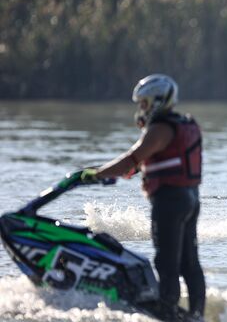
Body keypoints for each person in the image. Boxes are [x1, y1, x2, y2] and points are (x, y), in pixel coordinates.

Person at [80, 74, 206, 322]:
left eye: (145, 103)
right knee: (189, 263)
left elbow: (132, 158)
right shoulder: (183, 123)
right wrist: (116, 172)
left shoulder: (160, 128)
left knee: (167, 262)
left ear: (159, 101)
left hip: (169, 202)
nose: (141, 109)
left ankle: (168, 312)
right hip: (190, 199)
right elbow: (144, 162)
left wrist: (95, 174)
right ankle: (196, 315)